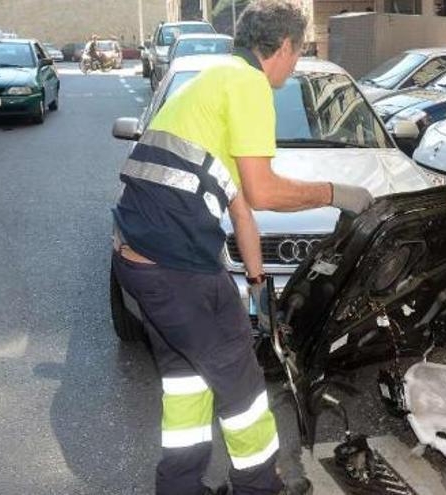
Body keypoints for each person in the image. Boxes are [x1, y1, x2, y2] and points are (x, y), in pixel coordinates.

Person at [110, 1, 373, 494]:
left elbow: (239, 205)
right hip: (176, 267)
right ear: (286, 46)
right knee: (242, 386)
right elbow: (264, 192)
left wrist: (256, 281)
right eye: (299, 52)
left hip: (139, 260)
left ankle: (180, 488)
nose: (296, 63)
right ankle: (260, 487)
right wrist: (337, 194)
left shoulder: (211, 82)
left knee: (187, 381)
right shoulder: (249, 85)